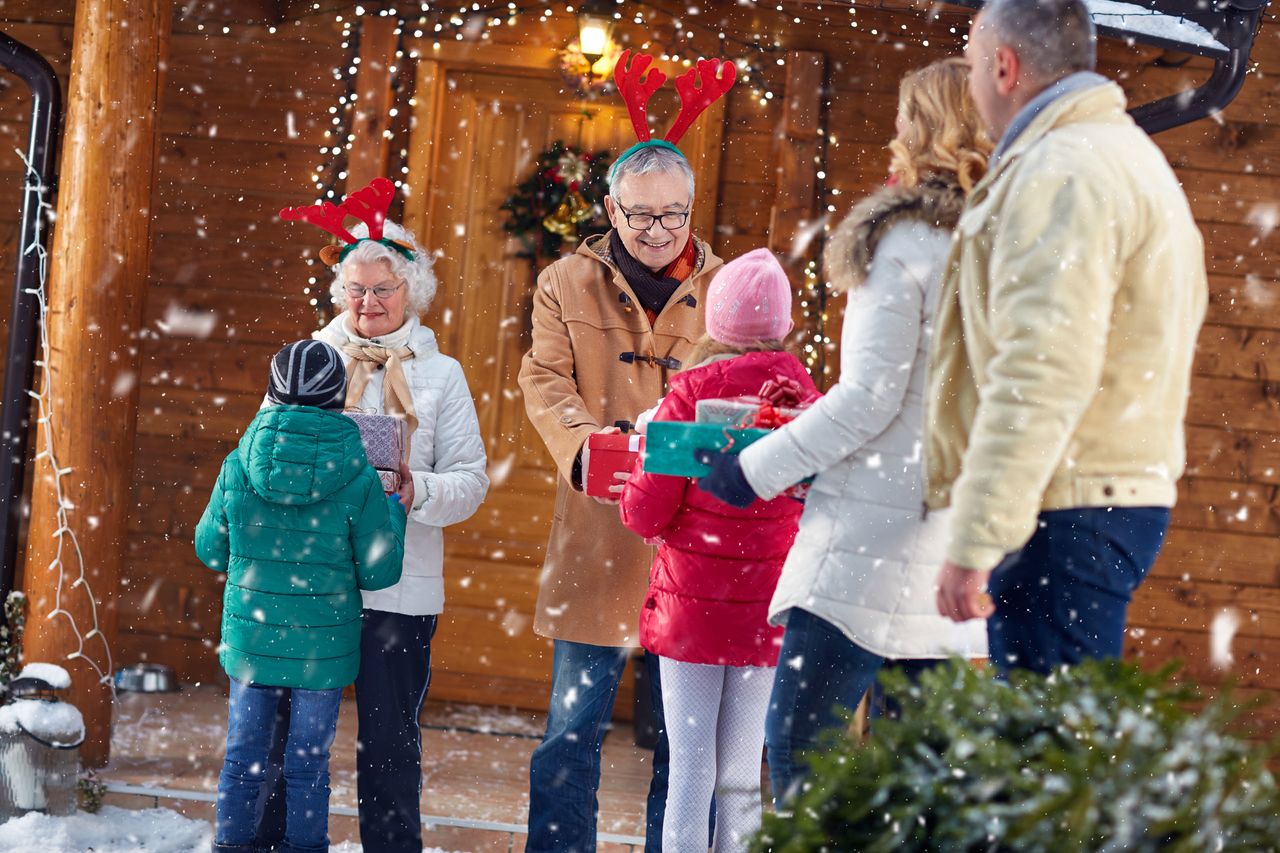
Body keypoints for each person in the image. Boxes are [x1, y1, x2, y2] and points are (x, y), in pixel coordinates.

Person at [695, 59, 992, 804]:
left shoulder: (904, 244)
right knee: (913, 780)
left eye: (904, 118)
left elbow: (868, 399)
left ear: (926, 130)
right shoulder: (1001, 244)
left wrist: (755, 467)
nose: (893, 133)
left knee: (805, 752)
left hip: (869, 546)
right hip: (950, 533)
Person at [928, 0, 1208, 673]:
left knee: (1044, 755)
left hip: (1069, 505)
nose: (968, 86)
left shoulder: (1061, 173)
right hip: (1101, 495)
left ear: (1004, 66)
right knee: (1059, 752)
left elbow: (1040, 368)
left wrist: (975, 537)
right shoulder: (1121, 158)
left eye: (969, 66)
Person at [518, 143, 724, 850]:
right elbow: (544, 379)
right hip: (598, 531)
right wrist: (587, 445)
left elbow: (751, 393)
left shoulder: (725, 290)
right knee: (570, 735)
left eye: (675, 213)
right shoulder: (566, 282)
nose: (661, 229)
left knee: (687, 745)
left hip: (695, 545)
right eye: (641, 214)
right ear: (610, 208)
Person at [619, 248, 818, 851]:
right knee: (739, 778)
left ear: (715, 321)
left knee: (690, 768)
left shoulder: (688, 396)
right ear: (783, 326)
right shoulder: (808, 406)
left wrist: (631, 486)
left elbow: (646, 510)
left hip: (690, 611)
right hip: (768, 608)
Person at [312, 216, 489, 851]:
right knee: (299, 734)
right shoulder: (311, 361)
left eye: (382, 288)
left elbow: (471, 479)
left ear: (411, 290)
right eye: (355, 290)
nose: (369, 303)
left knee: (389, 740)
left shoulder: (443, 375)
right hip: (317, 581)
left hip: (401, 588)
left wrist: (419, 491)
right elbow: (266, 456)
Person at [196, 339, 406, 853]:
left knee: (243, 758)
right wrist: (394, 508)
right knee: (308, 763)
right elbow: (380, 573)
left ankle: (231, 845)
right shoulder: (357, 474)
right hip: (323, 650)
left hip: (251, 639)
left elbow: (210, 549)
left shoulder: (239, 463)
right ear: (338, 398)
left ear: (272, 392)